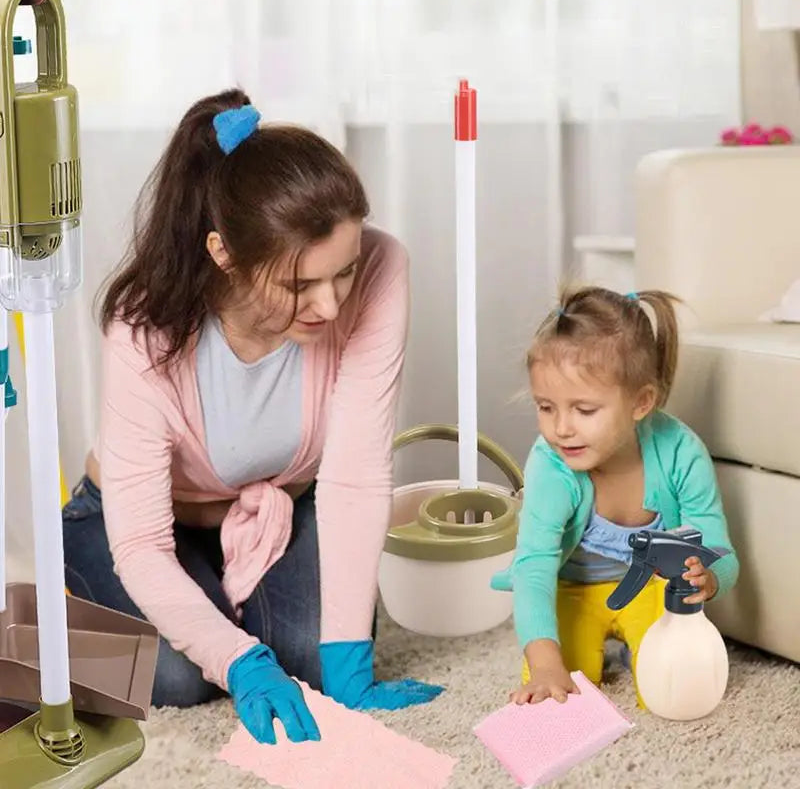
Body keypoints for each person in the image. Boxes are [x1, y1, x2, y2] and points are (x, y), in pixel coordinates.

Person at [62, 88, 443, 745]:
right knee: (184, 681)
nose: (329, 303)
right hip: (141, 527)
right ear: (225, 254)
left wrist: (349, 662)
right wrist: (235, 659)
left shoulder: (382, 270)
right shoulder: (144, 329)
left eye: (342, 273)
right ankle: (52, 620)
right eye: (299, 286)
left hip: (273, 508)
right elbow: (143, 546)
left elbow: (352, 476)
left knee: (311, 661)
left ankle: (228, 604)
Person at [495, 286, 739, 707]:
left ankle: (637, 648)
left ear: (641, 402)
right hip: (571, 590)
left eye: (584, 410)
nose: (561, 428)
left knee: (673, 688)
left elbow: (719, 550)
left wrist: (710, 578)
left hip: (650, 590)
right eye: (546, 407)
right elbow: (533, 565)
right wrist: (545, 663)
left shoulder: (681, 451)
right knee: (558, 697)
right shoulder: (552, 464)